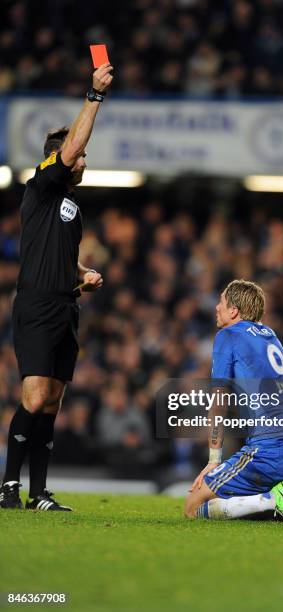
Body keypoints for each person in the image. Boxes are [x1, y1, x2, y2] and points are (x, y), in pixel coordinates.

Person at [0, 62, 113, 511]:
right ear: (59, 157)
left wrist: (82, 274)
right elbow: (71, 149)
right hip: (35, 305)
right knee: (33, 396)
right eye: (79, 155)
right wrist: (94, 95)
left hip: (66, 308)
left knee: (51, 404)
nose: (84, 160)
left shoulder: (69, 207)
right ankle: (8, 485)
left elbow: (63, 259)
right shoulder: (41, 186)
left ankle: (38, 492)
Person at [184, 279, 283, 523]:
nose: (216, 307)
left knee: (193, 506)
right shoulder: (271, 336)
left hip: (270, 453)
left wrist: (213, 461)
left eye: (221, 302)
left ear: (234, 311)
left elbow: (219, 401)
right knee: (244, 505)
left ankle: (272, 499)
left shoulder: (227, 335)